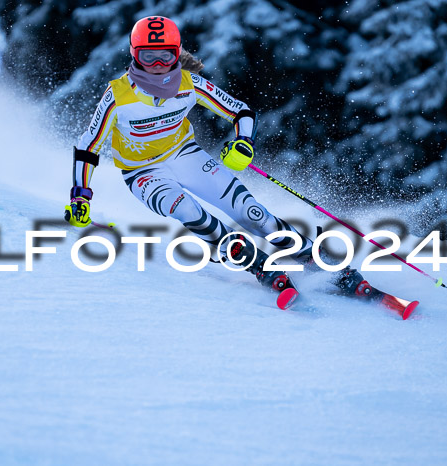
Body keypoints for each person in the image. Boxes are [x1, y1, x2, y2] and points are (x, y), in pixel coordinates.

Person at [65, 16, 371, 298]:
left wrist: (243, 143)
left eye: (166, 55)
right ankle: (254, 262)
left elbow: (240, 111)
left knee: (253, 214)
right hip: (142, 172)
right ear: (134, 55)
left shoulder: (190, 84)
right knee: (188, 211)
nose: (158, 64)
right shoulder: (118, 95)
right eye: (148, 56)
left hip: (187, 157)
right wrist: (81, 196)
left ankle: (323, 262)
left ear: (177, 53)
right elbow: (88, 145)